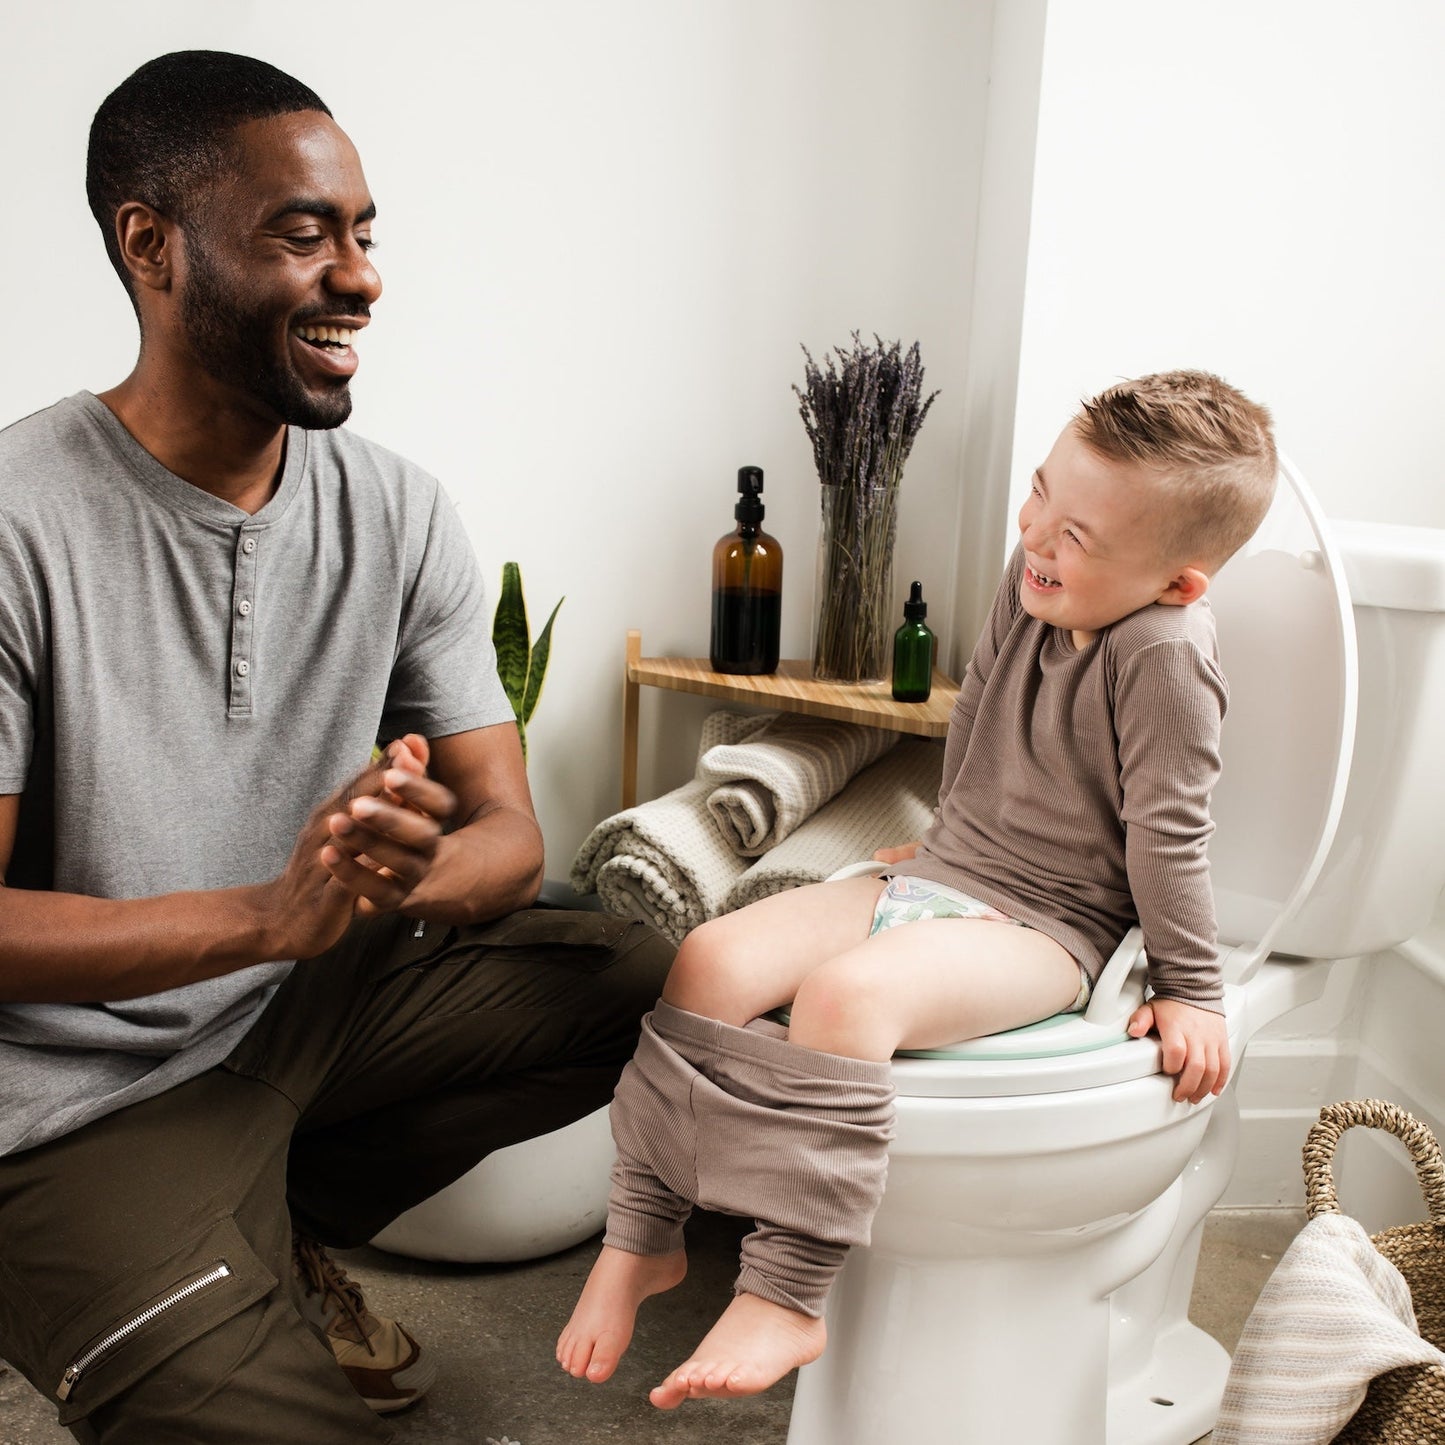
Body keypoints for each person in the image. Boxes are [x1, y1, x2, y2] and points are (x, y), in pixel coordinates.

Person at [0, 50, 673, 1443]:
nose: (358, 276)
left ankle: (259, 1216)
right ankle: (162, 1242)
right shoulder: (18, 522)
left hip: (292, 1015)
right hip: (66, 1097)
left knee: (640, 971)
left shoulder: (401, 511)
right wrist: (269, 911)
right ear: (152, 245)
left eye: (363, 235)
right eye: (304, 234)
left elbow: (511, 835)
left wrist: (389, 878)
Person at [557, 369, 1278, 1409]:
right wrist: (933, 843)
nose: (1037, 536)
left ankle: (788, 1288)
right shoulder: (1031, 573)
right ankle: (646, 1230)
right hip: (949, 872)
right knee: (710, 956)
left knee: (844, 1000)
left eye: (1079, 537)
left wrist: (1193, 987)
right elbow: (979, 709)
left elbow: (1169, 833)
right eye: (1040, 496)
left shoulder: (1163, 655)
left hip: (1047, 923)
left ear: (1176, 582)